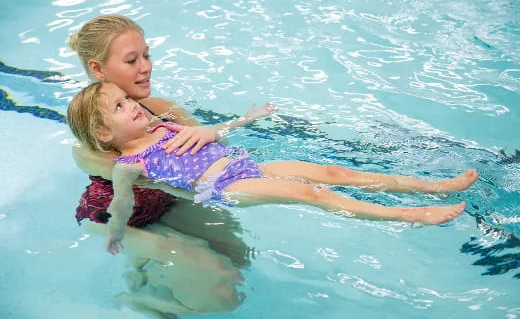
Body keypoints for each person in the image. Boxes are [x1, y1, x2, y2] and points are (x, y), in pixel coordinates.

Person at [67, 81, 479, 255]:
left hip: (248, 165)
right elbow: (121, 204)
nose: (133, 105)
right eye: (120, 106)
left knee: (336, 174)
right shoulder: (128, 163)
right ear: (104, 134)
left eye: (127, 98)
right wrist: (115, 235)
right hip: (226, 188)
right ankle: (409, 215)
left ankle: (434, 186)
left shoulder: (165, 125)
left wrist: (246, 119)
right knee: (310, 193)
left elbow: (213, 134)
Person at [68, 14, 252, 315]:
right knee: (220, 286)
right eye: (131, 61)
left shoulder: (164, 109)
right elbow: (149, 180)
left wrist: (209, 133)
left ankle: (149, 283)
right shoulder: (93, 142)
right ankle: (145, 299)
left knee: (238, 256)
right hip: (119, 218)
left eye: (146, 55)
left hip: (168, 200)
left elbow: (218, 154)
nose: (146, 67)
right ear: (98, 69)